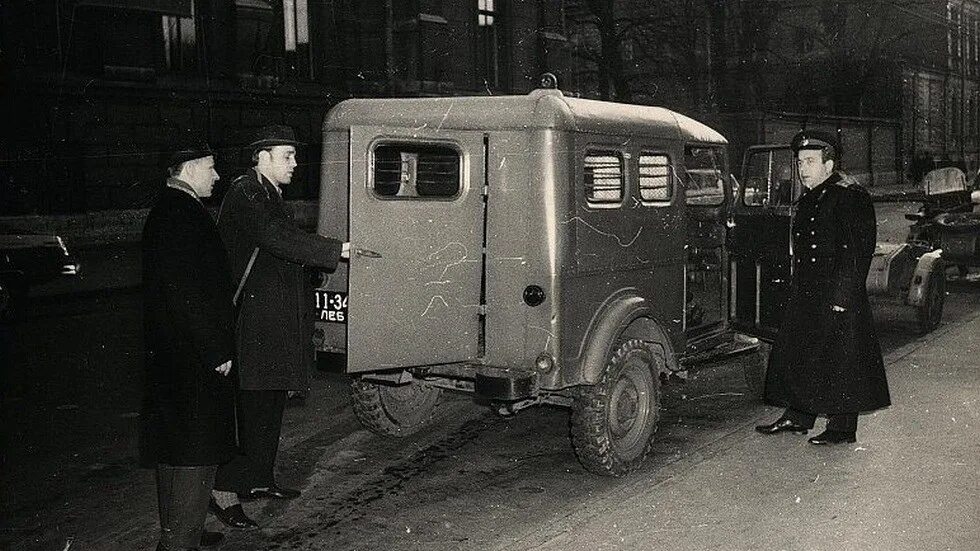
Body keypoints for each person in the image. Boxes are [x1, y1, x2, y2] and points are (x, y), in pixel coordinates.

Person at [210, 125, 349, 527]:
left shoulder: (268, 192)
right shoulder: (246, 191)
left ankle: (257, 479)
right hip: (254, 318)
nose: (294, 163)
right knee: (252, 404)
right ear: (263, 157)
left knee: (270, 399)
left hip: (272, 315)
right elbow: (273, 237)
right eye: (286, 155)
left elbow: (284, 238)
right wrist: (333, 250)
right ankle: (225, 492)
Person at [755, 130, 891, 445]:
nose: (803, 169)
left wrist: (843, 297)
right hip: (809, 292)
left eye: (811, 161)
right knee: (802, 353)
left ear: (828, 164)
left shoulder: (848, 194)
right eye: (800, 162)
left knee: (842, 361)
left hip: (837, 293)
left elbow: (858, 250)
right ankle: (798, 416)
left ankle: (842, 430)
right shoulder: (813, 194)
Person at [141, 143, 236, 550]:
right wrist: (217, 350)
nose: (216, 176)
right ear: (190, 168)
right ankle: (179, 541)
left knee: (174, 449)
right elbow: (187, 294)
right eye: (211, 168)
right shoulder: (181, 215)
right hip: (196, 357)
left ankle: (182, 532)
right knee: (197, 450)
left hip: (174, 356)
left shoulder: (169, 208)